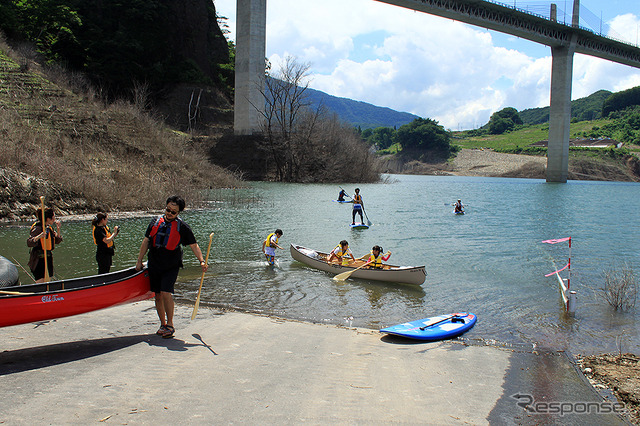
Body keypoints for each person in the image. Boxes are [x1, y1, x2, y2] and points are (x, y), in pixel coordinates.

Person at [135, 196, 208, 339]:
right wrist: (139, 260)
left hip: (171, 265)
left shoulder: (183, 227)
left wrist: (201, 260)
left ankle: (170, 324)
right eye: (168, 210)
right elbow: (146, 241)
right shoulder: (155, 222)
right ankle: (162, 324)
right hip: (154, 263)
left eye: (173, 212)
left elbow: (194, 245)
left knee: (166, 292)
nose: (169, 213)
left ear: (178, 213)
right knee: (157, 295)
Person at [27, 207, 63, 283]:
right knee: (41, 281)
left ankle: (48, 294)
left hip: (48, 258)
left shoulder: (49, 228)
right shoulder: (38, 228)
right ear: (48, 219)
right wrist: (39, 237)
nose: (54, 219)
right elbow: (29, 242)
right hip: (38, 260)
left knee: (48, 280)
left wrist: (58, 229)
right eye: (53, 218)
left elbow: (57, 241)